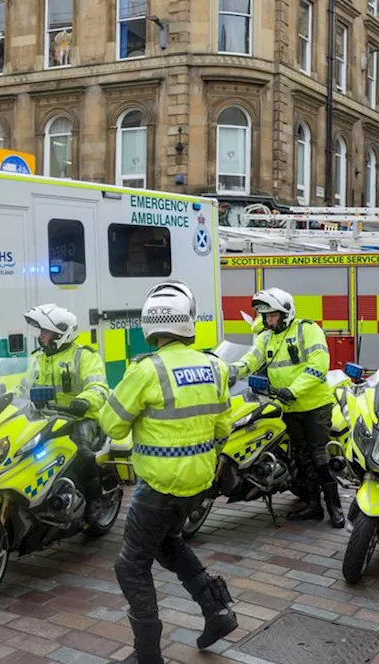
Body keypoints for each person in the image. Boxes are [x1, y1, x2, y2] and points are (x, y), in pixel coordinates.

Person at [99, 281, 237, 664]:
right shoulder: (214, 366)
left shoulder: (147, 371)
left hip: (158, 487)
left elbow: (112, 425)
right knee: (169, 546)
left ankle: (148, 655)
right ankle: (218, 611)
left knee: (130, 566)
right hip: (198, 484)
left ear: (150, 325)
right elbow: (223, 428)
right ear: (188, 322)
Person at [230, 288, 344, 528]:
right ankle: (313, 506)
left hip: (315, 405)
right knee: (302, 459)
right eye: (266, 316)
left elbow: (319, 365)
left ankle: (335, 507)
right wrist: (230, 371)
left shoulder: (308, 329)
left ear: (286, 313)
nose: (268, 320)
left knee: (319, 457)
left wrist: (293, 389)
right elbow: (251, 359)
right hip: (288, 408)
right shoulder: (266, 338)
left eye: (272, 315)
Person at [21, 304, 109, 522]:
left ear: (61, 333)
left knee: (83, 454)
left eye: (45, 332)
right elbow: (22, 388)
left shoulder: (85, 356)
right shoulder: (38, 358)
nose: (41, 337)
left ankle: (94, 501)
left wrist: (83, 401)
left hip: (78, 418)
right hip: (44, 418)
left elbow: (99, 389)